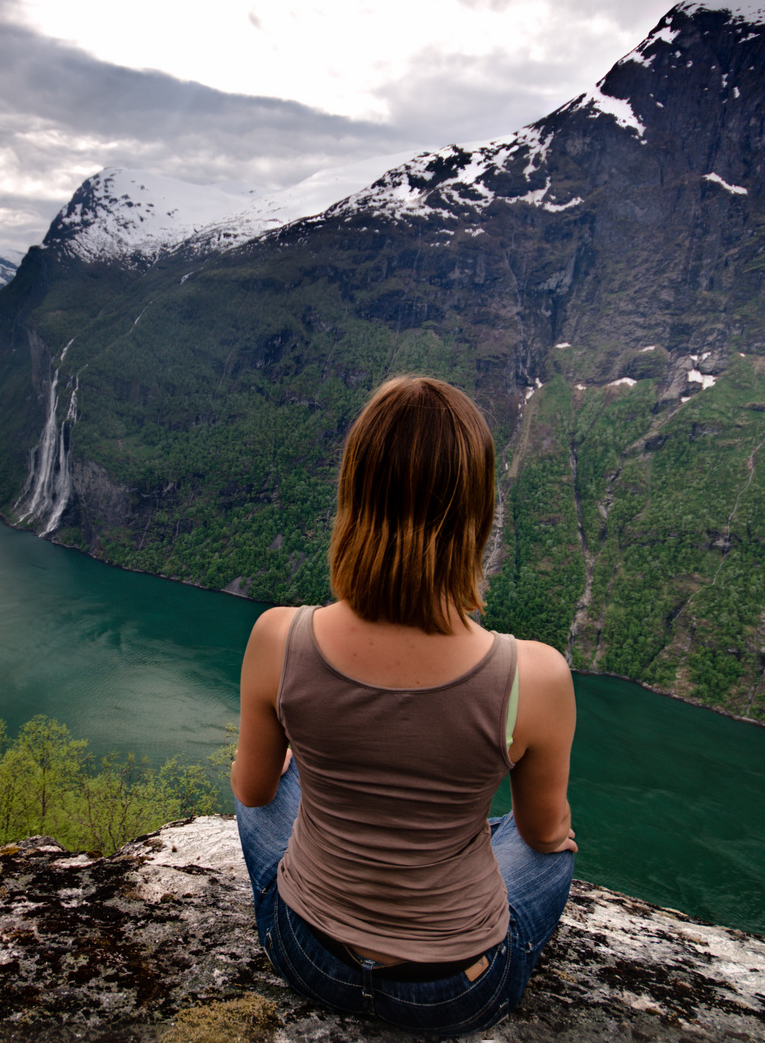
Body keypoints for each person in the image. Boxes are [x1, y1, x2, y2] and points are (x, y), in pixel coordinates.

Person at [231, 375, 578, 1037]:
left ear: (354, 494)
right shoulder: (533, 675)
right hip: (453, 990)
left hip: (308, 956)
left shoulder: (279, 637)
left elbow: (251, 790)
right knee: (547, 848)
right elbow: (542, 834)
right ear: (475, 512)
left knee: (290, 777)